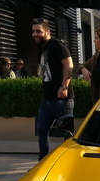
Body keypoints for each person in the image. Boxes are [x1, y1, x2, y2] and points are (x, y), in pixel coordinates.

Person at [32, 18, 74, 161]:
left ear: (47, 32)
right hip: (48, 98)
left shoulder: (56, 45)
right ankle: (42, 161)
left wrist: (64, 86)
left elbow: (69, 65)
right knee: (42, 130)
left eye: (38, 31)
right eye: (33, 31)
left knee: (67, 133)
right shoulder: (44, 48)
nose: (35, 34)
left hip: (62, 98)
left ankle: (69, 163)